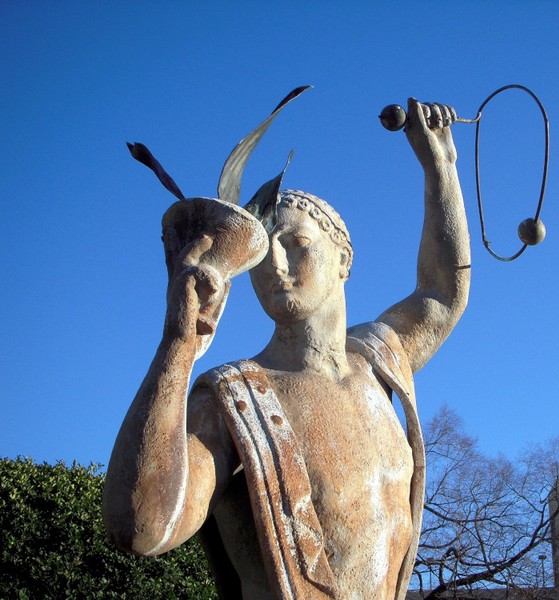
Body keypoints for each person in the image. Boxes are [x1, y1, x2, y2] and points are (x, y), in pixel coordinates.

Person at [103, 98, 470, 600]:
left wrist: (441, 166)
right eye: (262, 252)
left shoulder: (380, 358)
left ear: (343, 258)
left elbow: (441, 293)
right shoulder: (233, 399)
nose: (274, 263)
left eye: (296, 242)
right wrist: (178, 348)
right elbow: (142, 529)